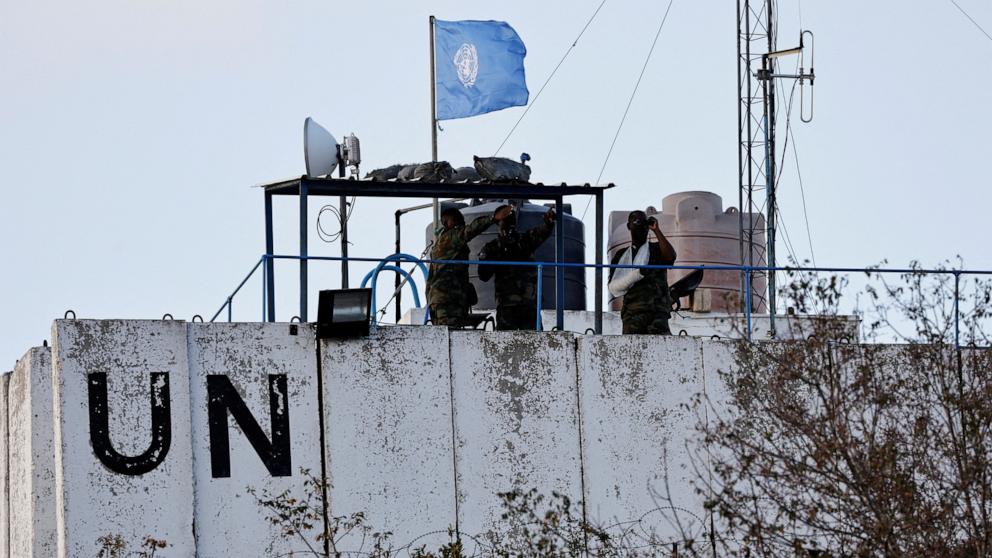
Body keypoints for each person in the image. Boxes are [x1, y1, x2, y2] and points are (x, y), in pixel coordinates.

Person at [427, 205, 513, 327]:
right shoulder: (451, 237)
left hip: (440, 301)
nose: (461, 223)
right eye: (457, 220)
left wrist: (430, 301)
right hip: (449, 300)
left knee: (446, 337)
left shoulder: (439, 245)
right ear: (446, 222)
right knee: (451, 337)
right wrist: (493, 218)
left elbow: (430, 278)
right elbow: (471, 230)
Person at [477, 206, 556, 330]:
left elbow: (543, 231)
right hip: (509, 305)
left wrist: (549, 222)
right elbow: (483, 275)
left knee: (534, 344)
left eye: (511, 222)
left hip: (527, 305)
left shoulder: (525, 241)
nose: (509, 227)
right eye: (506, 221)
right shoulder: (494, 247)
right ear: (499, 223)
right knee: (509, 344)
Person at [608, 210, 677, 334]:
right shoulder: (621, 256)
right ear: (629, 226)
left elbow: (670, 257)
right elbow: (614, 287)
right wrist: (637, 274)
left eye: (644, 223)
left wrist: (656, 230)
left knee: (662, 349)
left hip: (657, 312)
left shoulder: (656, 249)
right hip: (633, 313)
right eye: (637, 222)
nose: (641, 227)